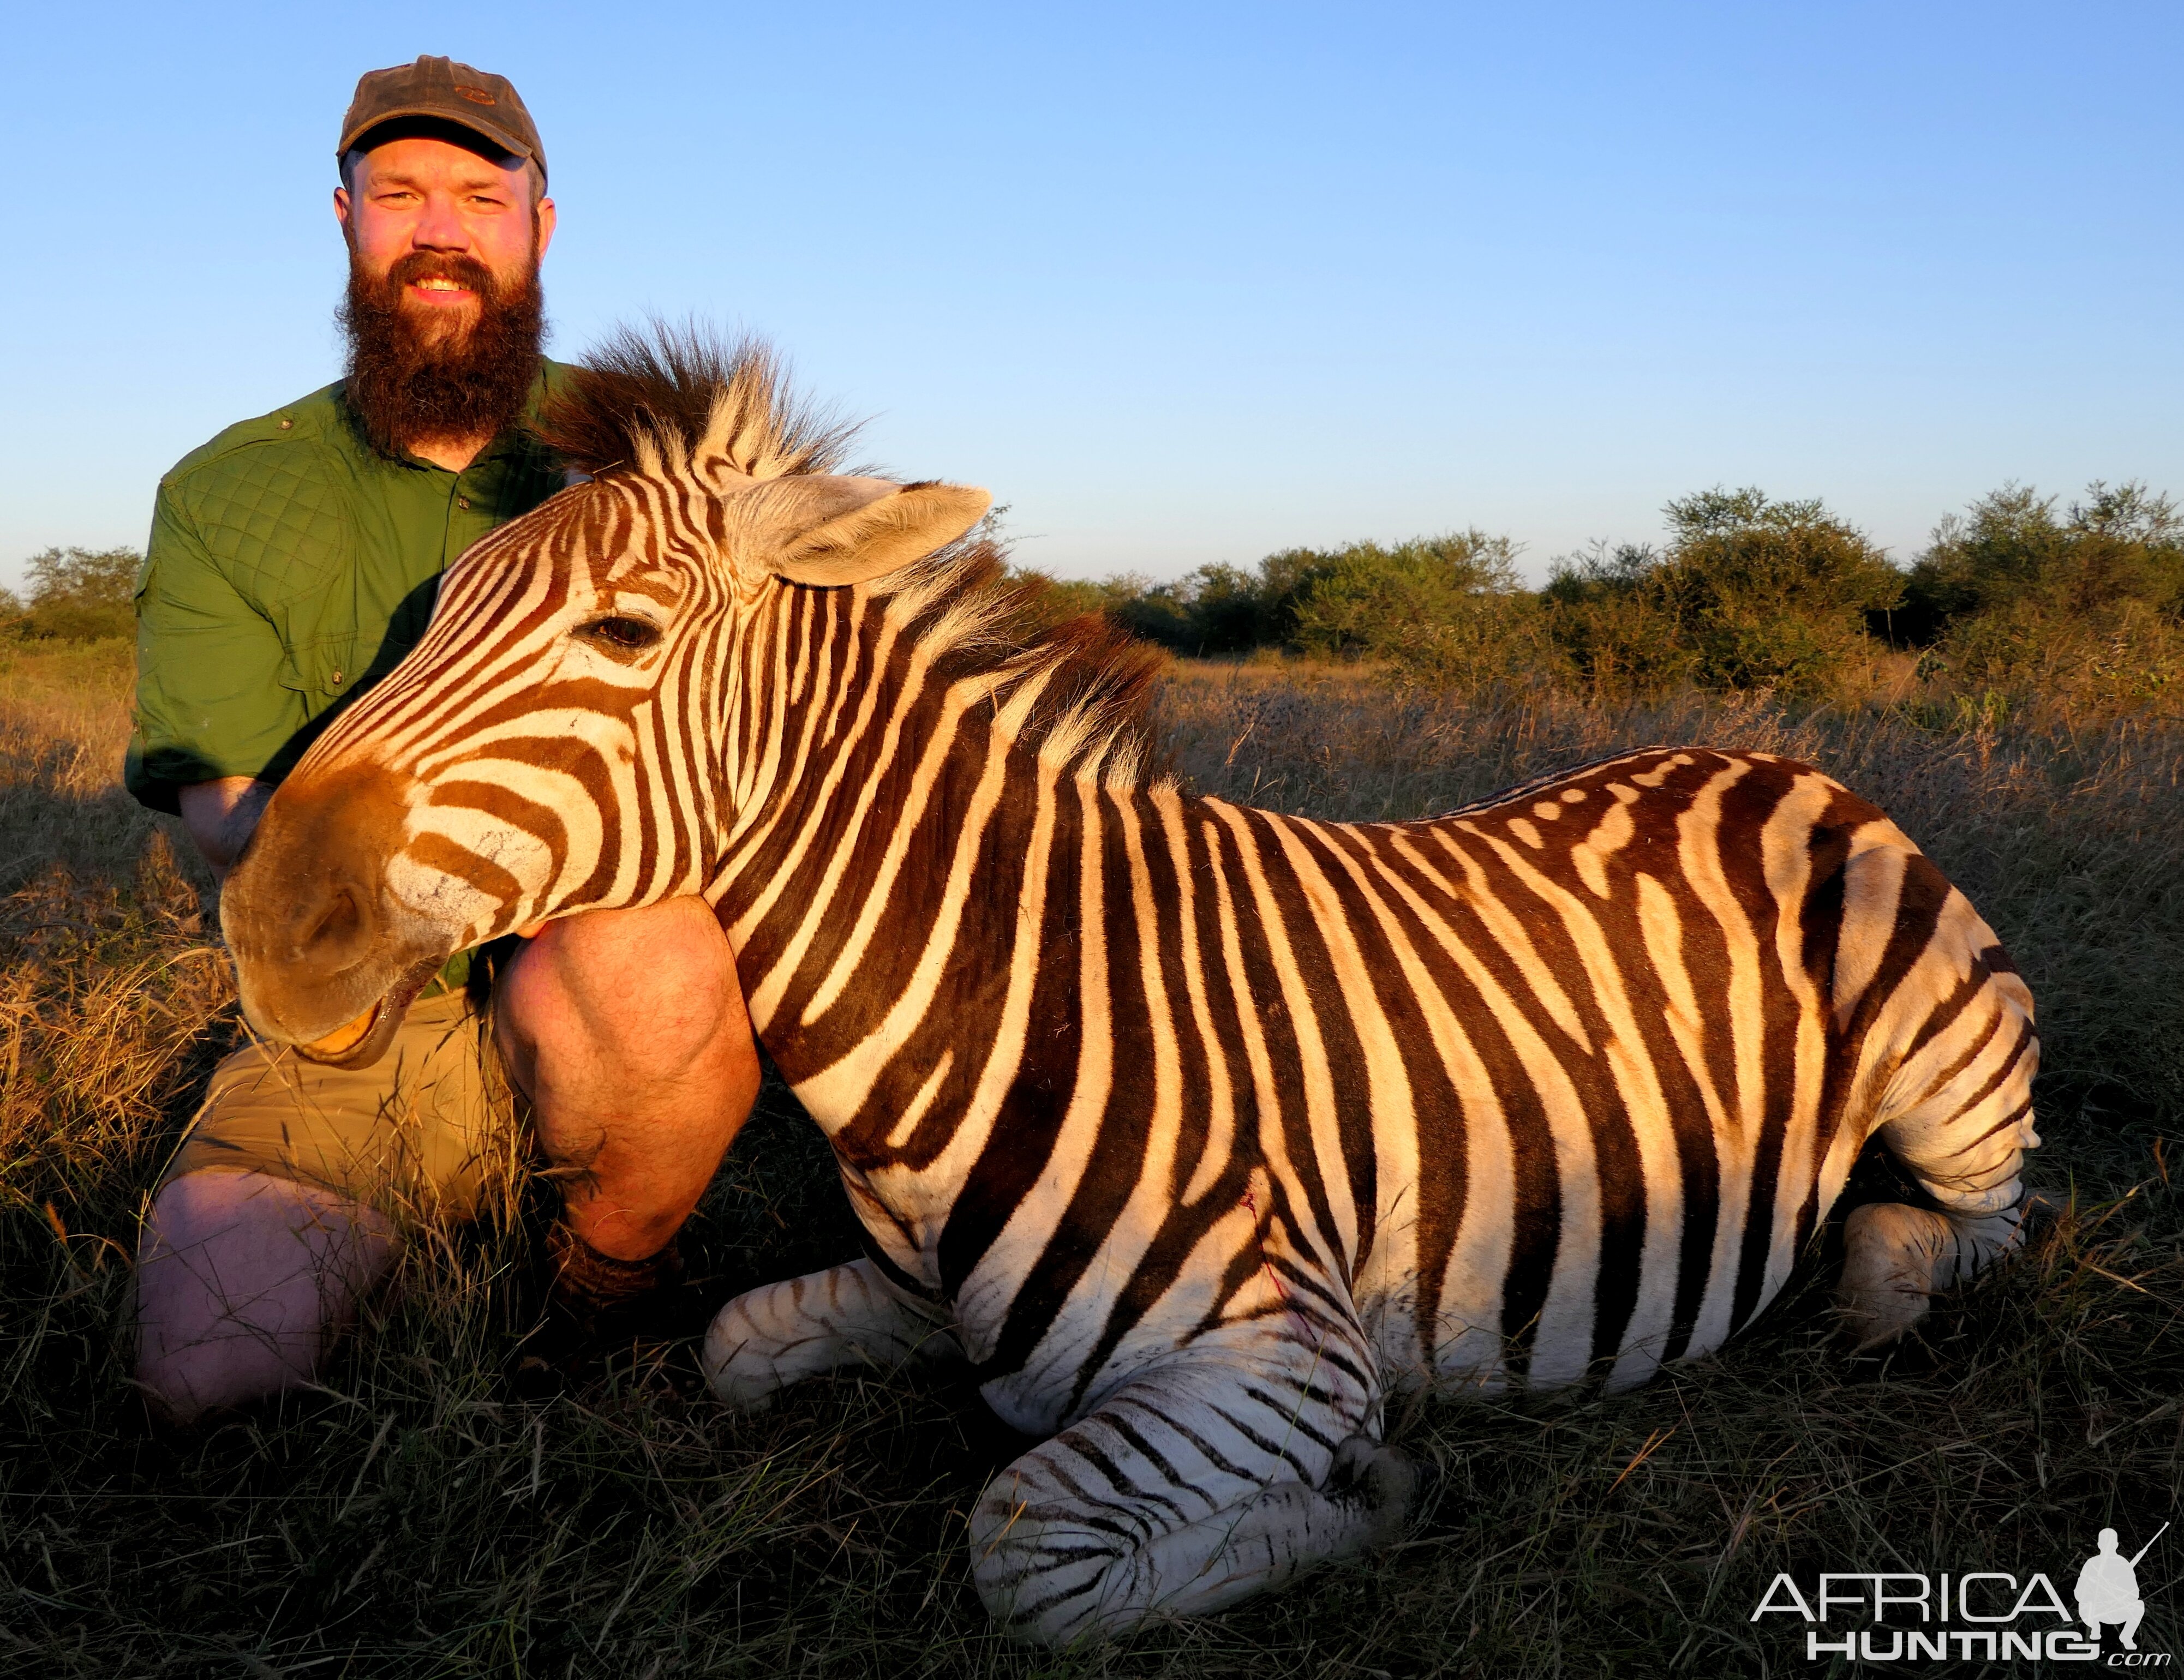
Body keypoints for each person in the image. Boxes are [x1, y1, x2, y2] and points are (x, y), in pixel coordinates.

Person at [127, 56, 760, 1425]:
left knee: (649, 947)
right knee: (203, 1366)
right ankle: (434, 1203)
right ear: (345, 215)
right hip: (356, 974)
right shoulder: (226, 491)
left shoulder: (656, 463)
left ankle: (597, 1295)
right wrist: (395, 871)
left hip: (586, 966)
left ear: (541, 222)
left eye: (482, 194)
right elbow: (226, 796)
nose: (439, 229)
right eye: (399, 191)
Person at [2076, 1528, 2147, 1650]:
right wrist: (2096, 1593)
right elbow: (2079, 1593)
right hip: (2095, 1611)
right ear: (2099, 1545)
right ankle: (2094, 1628)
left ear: (2116, 1545)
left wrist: (2118, 1594)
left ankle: (2126, 1636)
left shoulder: (2123, 1564)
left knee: (2139, 1606)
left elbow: (2135, 1594)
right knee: (2085, 1606)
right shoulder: (2092, 1563)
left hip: (2117, 1609)